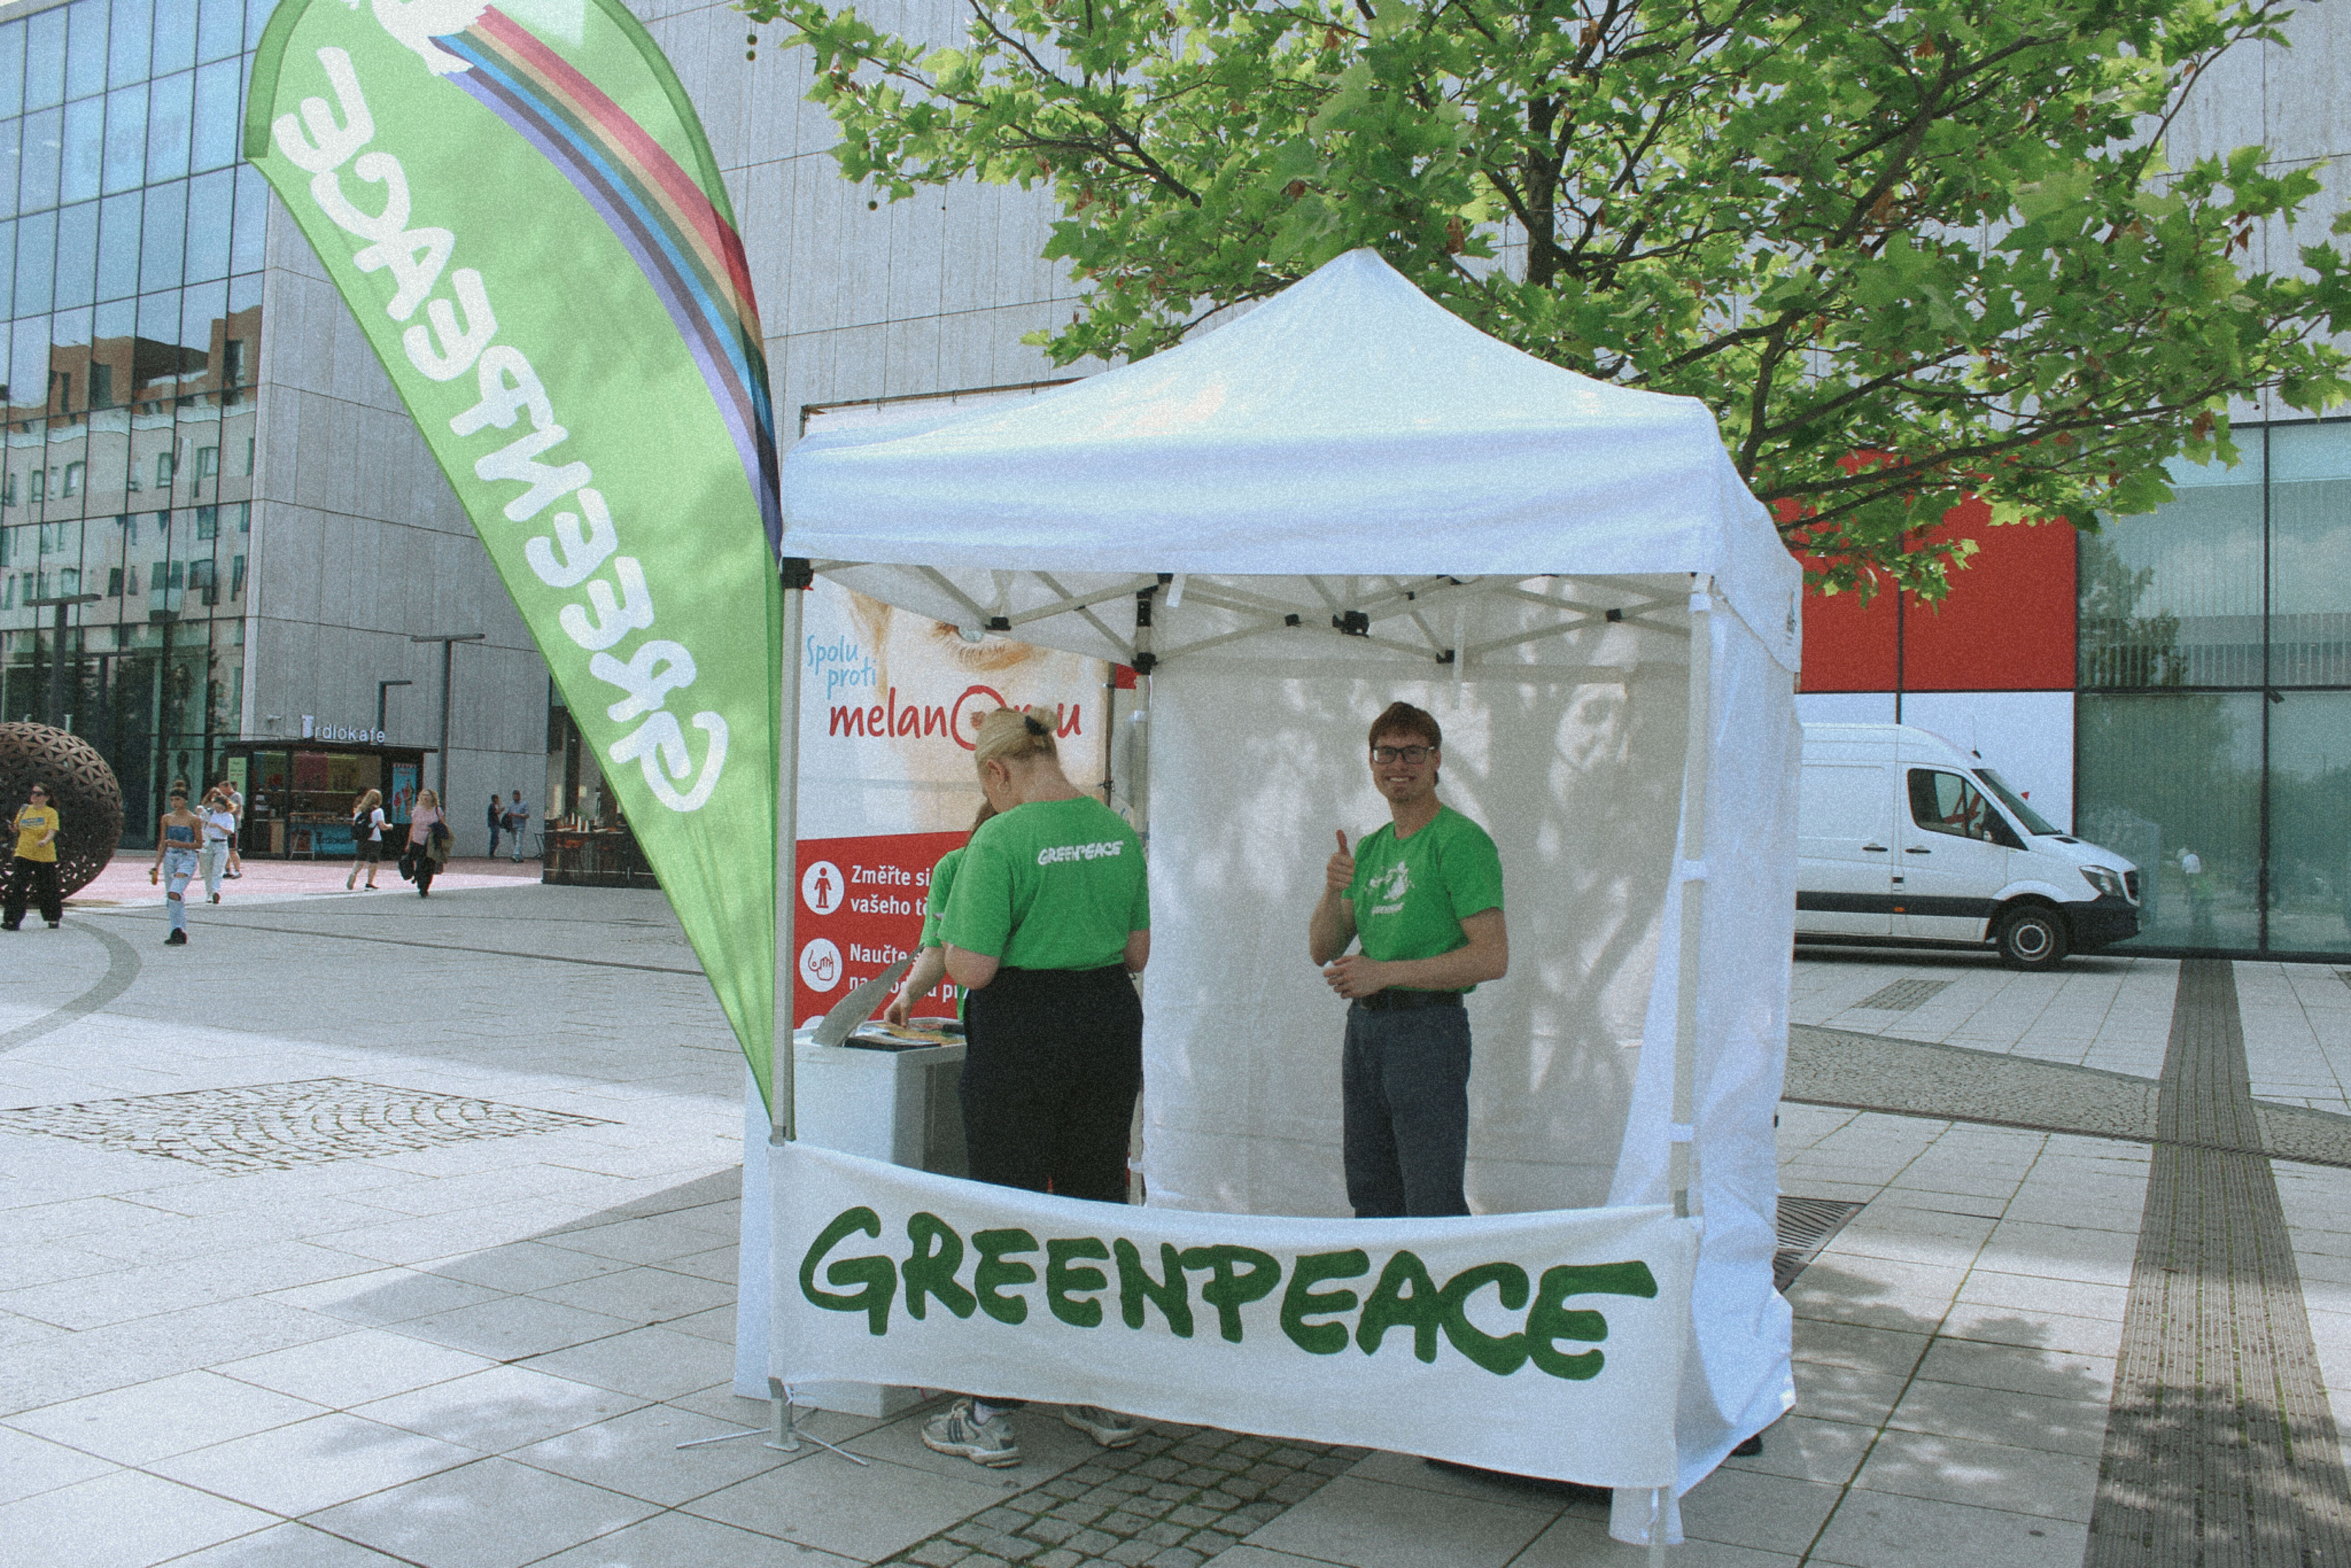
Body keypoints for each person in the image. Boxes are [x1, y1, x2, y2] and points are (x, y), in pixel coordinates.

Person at [921, 707, 1151, 1470]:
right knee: (1094, 1202)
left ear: (998, 771)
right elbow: (1137, 951)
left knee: (1006, 1206)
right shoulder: (1116, 831)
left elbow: (972, 967)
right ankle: (1097, 1392)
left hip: (1022, 1029)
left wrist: (954, 942)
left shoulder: (999, 839)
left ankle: (992, 1409)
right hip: (1107, 1021)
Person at [1307, 701, 1508, 1220]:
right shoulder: (1371, 848)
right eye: (1386, 753)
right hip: (1366, 1033)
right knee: (1371, 1191)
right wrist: (1332, 890)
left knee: (1431, 1195)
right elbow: (1323, 950)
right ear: (1371, 762)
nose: (1399, 765)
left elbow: (1491, 957)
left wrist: (1384, 974)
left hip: (1427, 1031)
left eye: (1413, 753)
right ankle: (1383, 1276)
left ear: (1436, 760)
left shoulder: (1459, 842)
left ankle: (1442, 1277)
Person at [885, 799, 996, 1026]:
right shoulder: (953, 867)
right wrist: (908, 994)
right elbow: (936, 951)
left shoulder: (1036, 865)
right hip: (978, 1010)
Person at [149, 784, 204, 946]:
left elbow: (199, 844)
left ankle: (179, 929)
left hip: (187, 858)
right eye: (172, 800)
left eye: (178, 799)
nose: (175, 803)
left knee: (175, 891)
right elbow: (163, 842)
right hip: (170, 858)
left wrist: (180, 844)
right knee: (172, 896)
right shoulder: (167, 818)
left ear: (185, 800)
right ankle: (177, 930)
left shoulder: (194, 820)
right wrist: (156, 865)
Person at [3, 780, 62, 931]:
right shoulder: (25, 810)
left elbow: (52, 831)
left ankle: (53, 917)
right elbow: (18, 828)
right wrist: (14, 828)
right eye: (33, 793)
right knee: (18, 886)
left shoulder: (51, 813)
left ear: (47, 798)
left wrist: (45, 841)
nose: (34, 796)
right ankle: (12, 920)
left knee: (47, 887)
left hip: (44, 856)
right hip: (23, 853)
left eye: (39, 794)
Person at [404, 789, 450, 897]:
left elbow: (443, 826)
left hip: (431, 842)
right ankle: (420, 882)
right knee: (420, 863)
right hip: (417, 840)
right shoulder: (417, 810)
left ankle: (425, 886)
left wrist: (435, 829)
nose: (425, 797)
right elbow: (413, 826)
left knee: (429, 865)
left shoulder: (437, 810)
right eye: (424, 795)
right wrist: (408, 843)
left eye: (428, 795)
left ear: (432, 797)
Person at [197, 786, 236, 904]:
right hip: (208, 843)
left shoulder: (229, 817)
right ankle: (209, 894)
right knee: (208, 870)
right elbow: (199, 823)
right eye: (216, 806)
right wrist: (201, 816)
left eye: (220, 807)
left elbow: (230, 832)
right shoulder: (209, 813)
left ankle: (216, 891)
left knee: (218, 870)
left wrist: (218, 826)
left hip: (221, 844)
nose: (218, 809)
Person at [346, 788, 387, 891]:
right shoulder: (378, 811)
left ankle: (354, 873)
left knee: (360, 859)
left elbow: (355, 825)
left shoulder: (359, 810)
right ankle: (369, 883)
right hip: (375, 839)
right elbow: (382, 827)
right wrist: (390, 827)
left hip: (362, 839)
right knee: (374, 861)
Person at [222, 779, 245, 878]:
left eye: (223, 789)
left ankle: (238, 871)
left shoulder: (237, 796)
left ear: (229, 787)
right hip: (224, 826)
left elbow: (236, 809)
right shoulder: (224, 797)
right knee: (225, 849)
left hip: (233, 826)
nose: (222, 792)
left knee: (232, 850)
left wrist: (224, 810)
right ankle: (228, 870)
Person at [506, 790, 531, 862]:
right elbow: (508, 814)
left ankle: (516, 855)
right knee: (516, 842)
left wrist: (517, 815)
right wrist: (510, 815)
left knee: (518, 841)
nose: (515, 798)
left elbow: (527, 815)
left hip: (521, 825)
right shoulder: (511, 805)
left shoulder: (524, 804)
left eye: (516, 796)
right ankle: (520, 858)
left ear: (519, 796)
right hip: (513, 826)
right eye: (514, 796)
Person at [486, 792, 505, 859]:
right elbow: (497, 812)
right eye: (497, 799)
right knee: (495, 839)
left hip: (495, 824)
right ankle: (491, 854)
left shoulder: (493, 807)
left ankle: (492, 854)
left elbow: (498, 812)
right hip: (494, 824)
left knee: (495, 839)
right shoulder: (492, 806)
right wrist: (500, 806)